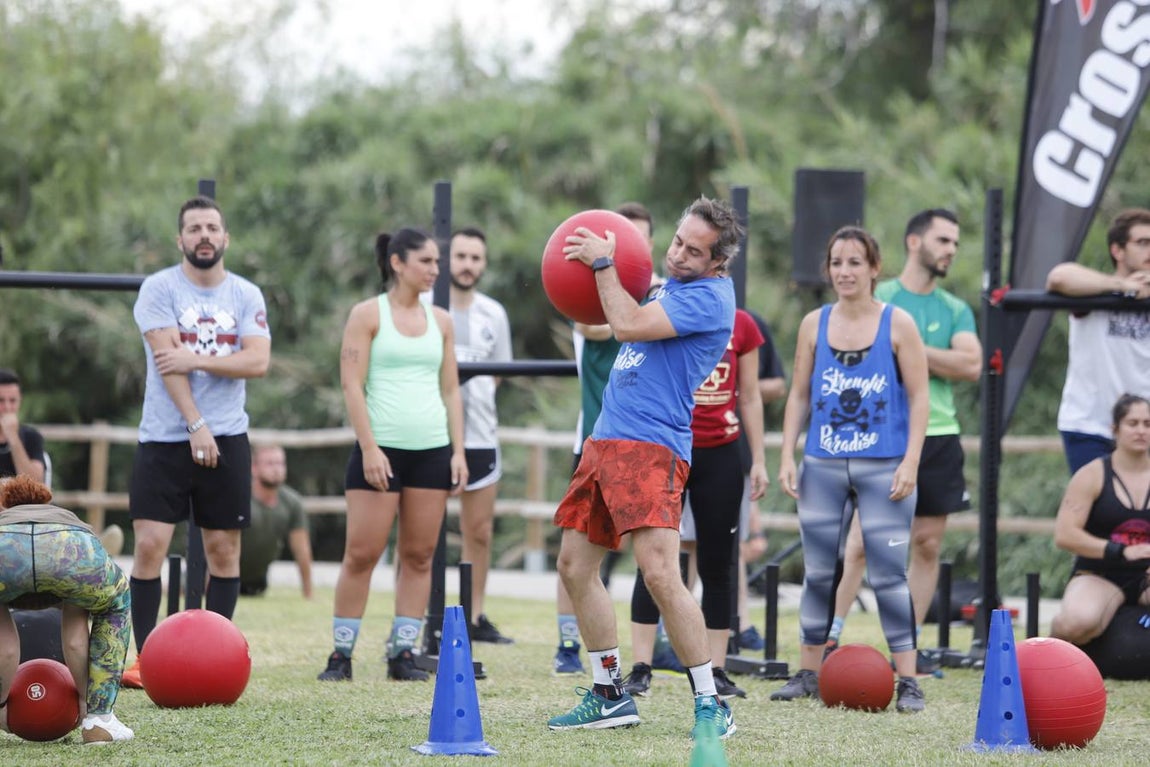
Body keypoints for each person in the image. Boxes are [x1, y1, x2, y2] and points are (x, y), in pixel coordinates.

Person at [547, 196, 740, 741]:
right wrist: (595, 272)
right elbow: (607, 322)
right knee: (573, 567)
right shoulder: (671, 284)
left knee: (658, 572)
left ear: (718, 262)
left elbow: (628, 326)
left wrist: (604, 264)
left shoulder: (710, 297)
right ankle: (609, 692)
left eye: (694, 251)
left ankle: (711, 701)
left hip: (652, 446)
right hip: (606, 438)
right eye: (677, 242)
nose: (678, 255)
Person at [771, 225, 929, 713]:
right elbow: (798, 393)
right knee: (819, 572)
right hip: (822, 461)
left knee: (888, 576)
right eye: (837, 262)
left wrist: (911, 462)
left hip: (884, 464)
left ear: (874, 268)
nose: (844, 271)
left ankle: (908, 681)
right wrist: (787, 454)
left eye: (855, 262)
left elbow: (921, 396)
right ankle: (807, 672)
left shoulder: (898, 323)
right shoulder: (813, 324)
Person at [123, 195, 271, 688]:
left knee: (225, 551)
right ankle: (146, 658)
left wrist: (200, 360)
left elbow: (258, 361)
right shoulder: (159, 288)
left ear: (225, 238)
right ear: (181, 239)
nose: (203, 235)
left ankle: (218, 655)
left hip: (229, 435)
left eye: (212, 226)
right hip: (166, 437)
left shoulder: (246, 294)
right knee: (149, 545)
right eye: (194, 228)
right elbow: (168, 364)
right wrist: (194, 425)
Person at [827, 209, 981, 670]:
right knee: (859, 543)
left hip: (940, 437)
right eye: (943, 239)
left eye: (956, 241)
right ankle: (829, 640)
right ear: (914, 242)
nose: (951, 249)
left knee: (928, 544)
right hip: (881, 437)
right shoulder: (883, 296)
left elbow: (971, 366)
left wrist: (906, 346)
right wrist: (932, 355)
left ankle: (906, 649)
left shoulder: (955, 308)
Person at [317, 227, 466, 683]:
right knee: (362, 553)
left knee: (420, 556)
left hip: (431, 452)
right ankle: (340, 656)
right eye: (426, 261)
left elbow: (450, 389)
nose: (435, 270)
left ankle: (402, 654)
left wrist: (458, 451)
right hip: (380, 452)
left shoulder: (442, 320)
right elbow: (351, 384)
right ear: (398, 263)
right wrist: (369, 448)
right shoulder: (367, 314)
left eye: (437, 262)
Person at [620, 307, 767, 701]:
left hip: (721, 454)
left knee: (719, 563)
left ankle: (716, 670)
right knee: (653, 561)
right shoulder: (669, 314)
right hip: (668, 447)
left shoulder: (743, 324)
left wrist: (759, 461)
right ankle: (641, 666)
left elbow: (750, 396)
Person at [554, 201, 659, 675]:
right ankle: (568, 643)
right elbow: (597, 326)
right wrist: (602, 267)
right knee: (575, 556)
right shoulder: (593, 301)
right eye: (613, 241)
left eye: (633, 241)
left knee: (656, 559)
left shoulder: (661, 301)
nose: (619, 250)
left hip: (644, 445)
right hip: (595, 440)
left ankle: (651, 648)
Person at [0, 475, 134, 743]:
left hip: (5, 547)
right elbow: (74, 643)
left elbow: (8, 649)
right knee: (115, 601)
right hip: (68, 545)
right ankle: (98, 718)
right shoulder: (64, 516)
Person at [1046, 208, 1150, 475]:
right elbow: (1059, 277)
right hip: (1091, 427)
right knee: (1094, 514)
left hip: (1143, 427)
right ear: (1118, 250)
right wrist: (1124, 287)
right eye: (1142, 243)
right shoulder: (1097, 290)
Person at [448, 227, 514, 644]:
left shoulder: (494, 313)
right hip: (431, 437)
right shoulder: (425, 307)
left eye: (475, 257)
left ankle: (474, 616)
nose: (468, 265)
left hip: (481, 437)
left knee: (480, 532)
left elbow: (499, 373)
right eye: (461, 256)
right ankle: (419, 618)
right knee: (422, 537)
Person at [1050, 394, 1150, 646]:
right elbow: (1065, 535)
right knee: (1076, 623)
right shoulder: (1091, 475)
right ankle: (1047, 653)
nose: (1141, 431)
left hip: (1146, 575)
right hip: (1100, 573)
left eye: (1147, 424)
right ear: (1114, 429)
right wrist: (1120, 551)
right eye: (1133, 423)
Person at [240, 443, 314, 598]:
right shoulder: (239, 498)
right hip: (220, 576)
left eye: (280, 463)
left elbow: (302, 550)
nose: (276, 469)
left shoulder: (292, 502)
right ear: (254, 468)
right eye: (269, 463)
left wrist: (308, 593)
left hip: (257, 584)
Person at [0, 369, 46, 483]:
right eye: (0, 400)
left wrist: (13, 438)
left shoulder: (32, 437)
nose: (7, 407)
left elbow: (36, 483)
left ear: (20, 401)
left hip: (22, 501)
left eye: (12, 401)